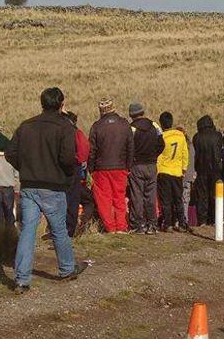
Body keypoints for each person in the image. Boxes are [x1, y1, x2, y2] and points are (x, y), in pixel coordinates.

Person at [5, 87, 81, 294]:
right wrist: (65, 174)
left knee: (27, 232)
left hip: (29, 185)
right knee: (58, 230)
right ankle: (66, 269)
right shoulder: (64, 127)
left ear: (41, 103)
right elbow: (67, 158)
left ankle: (21, 279)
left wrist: (27, 168)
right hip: (54, 186)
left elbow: (10, 153)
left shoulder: (25, 126)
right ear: (61, 104)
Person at [88, 98, 134, 234]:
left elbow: (92, 150)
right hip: (121, 167)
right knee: (119, 197)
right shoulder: (124, 124)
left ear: (101, 111)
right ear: (114, 108)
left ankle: (110, 228)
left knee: (104, 199)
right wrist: (128, 166)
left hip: (101, 168)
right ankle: (121, 227)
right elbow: (130, 146)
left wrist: (91, 169)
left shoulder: (96, 126)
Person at [127, 102, 165, 234]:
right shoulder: (154, 125)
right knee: (151, 195)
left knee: (137, 195)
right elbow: (162, 144)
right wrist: (154, 155)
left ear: (131, 115)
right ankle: (152, 225)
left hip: (137, 166)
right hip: (152, 165)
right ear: (142, 112)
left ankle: (138, 224)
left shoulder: (131, 128)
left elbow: (128, 147)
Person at [156, 112, 189, 231]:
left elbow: (159, 156)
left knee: (166, 200)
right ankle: (181, 223)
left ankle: (168, 224)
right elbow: (185, 153)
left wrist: (157, 171)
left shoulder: (162, 137)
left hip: (164, 171)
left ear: (161, 123)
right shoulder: (180, 136)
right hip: (177, 172)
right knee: (178, 199)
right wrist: (184, 168)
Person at [193, 115, 224, 226]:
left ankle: (202, 220)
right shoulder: (217, 136)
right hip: (216, 170)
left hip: (201, 170)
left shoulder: (197, 137)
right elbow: (219, 152)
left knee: (202, 196)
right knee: (215, 195)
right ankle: (214, 219)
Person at [65, 111, 90, 237]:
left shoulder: (61, 131)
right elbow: (84, 152)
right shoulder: (77, 133)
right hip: (75, 169)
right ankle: (76, 228)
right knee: (75, 201)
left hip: (61, 170)